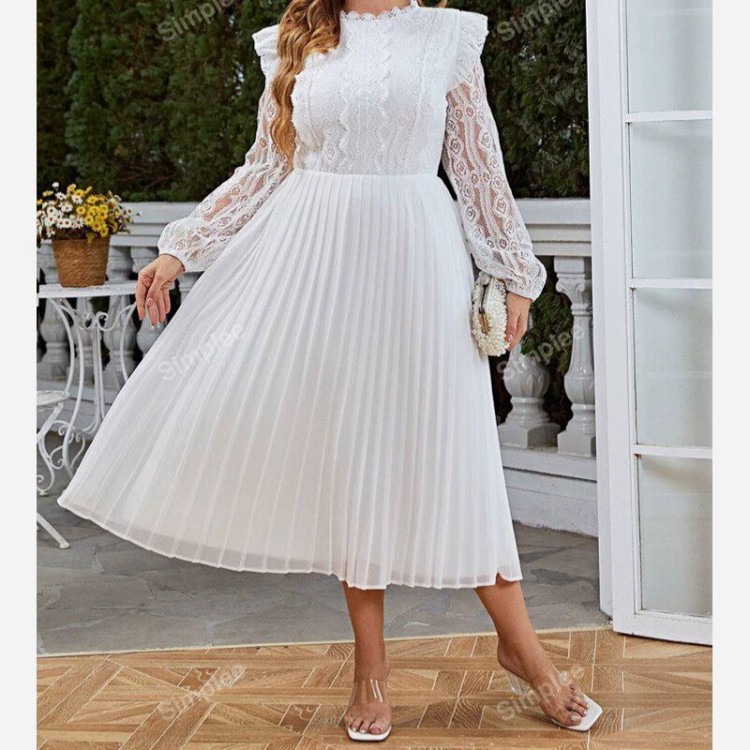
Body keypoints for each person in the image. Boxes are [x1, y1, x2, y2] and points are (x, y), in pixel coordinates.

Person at [57, 0, 601, 740]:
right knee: (353, 458)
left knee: (453, 454)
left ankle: (522, 647)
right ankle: (370, 669)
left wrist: (514, 274)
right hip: (319, 264)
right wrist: (182, 247)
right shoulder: (296, 37)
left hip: (418, 263)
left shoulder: (448, 36)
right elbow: (264, 167)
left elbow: (479, 169)